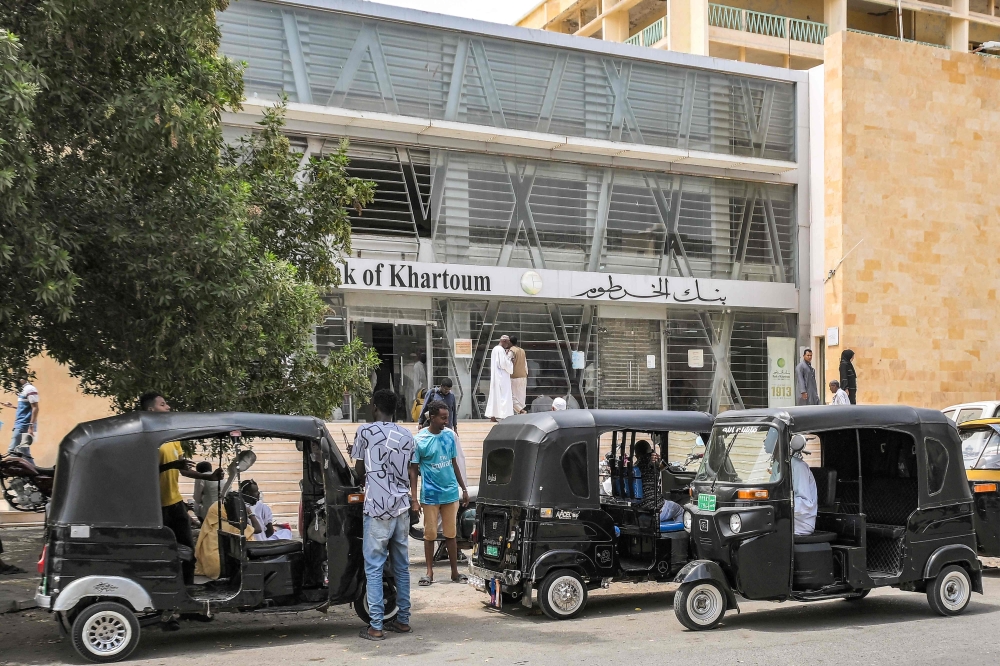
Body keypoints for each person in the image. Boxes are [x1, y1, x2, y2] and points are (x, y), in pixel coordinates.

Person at [141, 392, 223, 592]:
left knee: (188, 551)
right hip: (154, 508)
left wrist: (208, 478)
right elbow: (142, 472)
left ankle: (188, 598)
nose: (168, 407)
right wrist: (170, 465)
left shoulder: (172, 436)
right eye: (163, 404)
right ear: (151, 410)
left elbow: (182, 468)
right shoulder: (145, 438)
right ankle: (164, 602)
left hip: (175, 504)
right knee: (162, 554)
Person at [351, 389, 414, 641]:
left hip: (377, 509)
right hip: (401, 508)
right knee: (402, 566)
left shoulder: (364, 432)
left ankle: (376, 625)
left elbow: (358, 471)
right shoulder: (407, 434)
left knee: (374, 567)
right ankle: (403, 620)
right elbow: (410, 469)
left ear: (376, 407)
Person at [410, 401, 468, 587]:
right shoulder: (419, 440)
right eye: (443, 418)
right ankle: (429, 572)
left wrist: (464, 488)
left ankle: (454, 572)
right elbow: (413, 470)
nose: (446, 421)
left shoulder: (449, 437)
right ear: (432, 417)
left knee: (451, 535)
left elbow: (454, 463)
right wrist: (414, 499)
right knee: (430, 535)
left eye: (447, 418)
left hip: (450, 494)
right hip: (430, 496)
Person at [790, 434, 818, 536]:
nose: (765, 442)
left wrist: (781, 505)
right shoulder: (777, 465)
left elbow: (805, 503)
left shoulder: (798, 466)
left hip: (801, 523)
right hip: (786, 521)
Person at [5, 371, 39, 456]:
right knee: (24, 453)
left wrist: (31, 427)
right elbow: (26, 408)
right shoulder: (23, 390)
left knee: (12, 451)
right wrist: (12, 406)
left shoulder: (30, 389)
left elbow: (35, 408)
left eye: (18, 377)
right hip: (21, 424)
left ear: (24, 377)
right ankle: (32, 469)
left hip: (24, 425)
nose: (16, 380)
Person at [484, 335, 514, 422]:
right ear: (504, 341)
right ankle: (505, 416)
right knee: (503, 396)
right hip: (502, 377)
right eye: (507, 342)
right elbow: (503, 364)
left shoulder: (495, 349)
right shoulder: (500, 350)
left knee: (495, 396)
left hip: (496, 376)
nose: (508, 345)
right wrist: (510, 359)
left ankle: (493, 416)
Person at [508, 335, 528, 415]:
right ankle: (521, 411)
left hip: (514, 377)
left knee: (510, 395)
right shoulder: (522, 350)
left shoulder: (512, 351)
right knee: (521, 396)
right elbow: (525, 364)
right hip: (523, 376)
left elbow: (507, 362)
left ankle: (520, 410)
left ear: (510, 342)